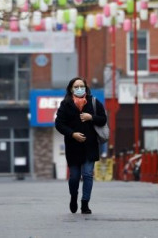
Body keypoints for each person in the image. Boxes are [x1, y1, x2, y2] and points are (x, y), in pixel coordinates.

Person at [55, 77, 107, 215]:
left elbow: (103, 120)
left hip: (90, 146)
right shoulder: (65, 104)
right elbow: (59, 124)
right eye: (76, 86)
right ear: (71, 89)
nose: (79, 89)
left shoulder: (94, 102)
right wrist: (72, 134)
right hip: (73, 147)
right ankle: (73, 197)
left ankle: (85, 203)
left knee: (88, 175)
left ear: (86, 87)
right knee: (74, 177)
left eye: (81, 86)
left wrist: (92, 117)